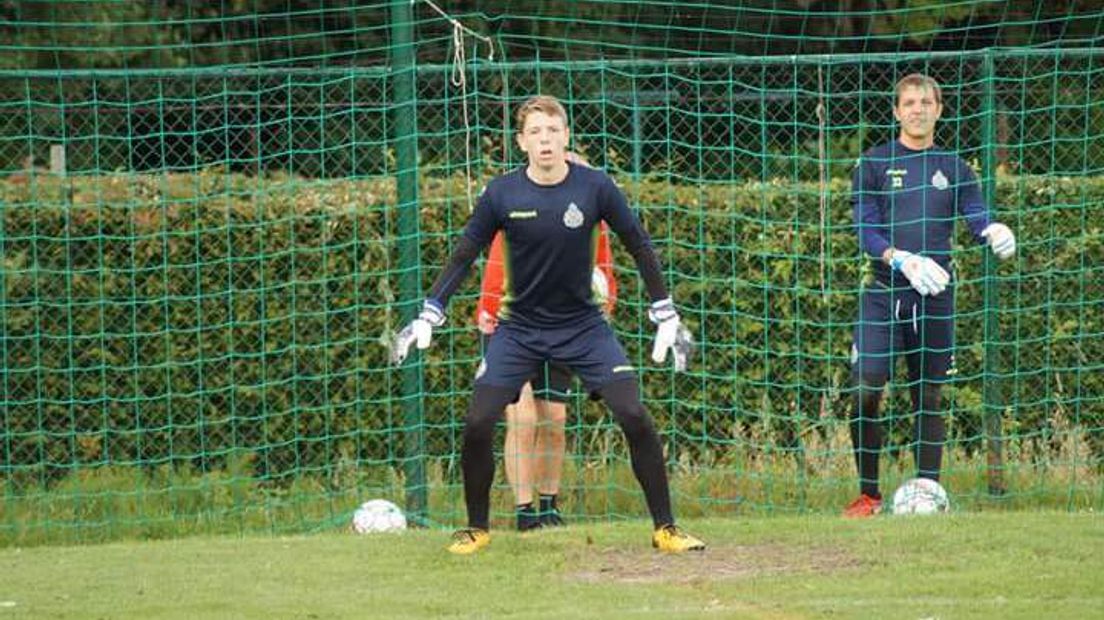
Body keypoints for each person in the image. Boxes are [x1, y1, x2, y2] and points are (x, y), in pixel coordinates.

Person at [392, 94, 702, 553]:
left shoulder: (596, 187)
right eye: (535, 132)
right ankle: (477, 528)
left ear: (566, 137)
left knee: (634, 415)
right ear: (522, 142)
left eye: (553, 131)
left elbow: (637, 242)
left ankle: (665, 529)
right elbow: (465, 253)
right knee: (478, 421)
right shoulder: (502, 193)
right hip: (518, 330)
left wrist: (665, 311)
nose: (545, 140)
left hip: (584, 327)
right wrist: (429, 312)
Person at [845, 74, 1017, 517]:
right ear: (897, 111)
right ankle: (868, 494)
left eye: (926, 102)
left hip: (935, 297)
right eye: (909, 102)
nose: (918, 109)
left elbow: (975, 214)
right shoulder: (873, 163)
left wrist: (992, 230)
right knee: (866, 386)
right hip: (884, 293)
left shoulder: (955, 167)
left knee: (929, 395)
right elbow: (865, 227)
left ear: (939, 110)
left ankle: (928, 495)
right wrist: (898, 257)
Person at [474, 163, 618, 531]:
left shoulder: (592, 218)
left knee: (554, 420)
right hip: (511, 326)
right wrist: (489, 310)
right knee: (521, 419)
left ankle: (549, 507)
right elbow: (495, 264)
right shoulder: (515, 205)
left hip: (564, 324)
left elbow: (604, 271)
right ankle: (525, 513)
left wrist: (605, 304)